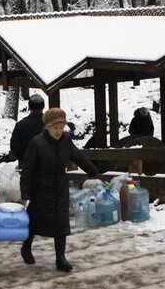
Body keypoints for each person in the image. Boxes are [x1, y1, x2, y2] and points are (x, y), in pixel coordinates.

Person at [20, 107, 100, 272]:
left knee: (61, 224)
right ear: (47, 127)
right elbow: (27, 170)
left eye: (61, 127)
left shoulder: (66, 140)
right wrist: (26, 192)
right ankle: (26, 247)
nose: (58, 131)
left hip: (60, 187)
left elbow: (77, 155)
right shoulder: (37, 143)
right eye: (55, 128)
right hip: (40, 189)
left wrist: (92, 170)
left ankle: (60, 258)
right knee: (34, 222)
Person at [9, 94, 45, 164]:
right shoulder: (50, 124)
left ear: (29, 107)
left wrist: (22, 157)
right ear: (43, 107)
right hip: (47, 165)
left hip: (26, 164)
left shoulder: (20, 125)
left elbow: (14, 146)